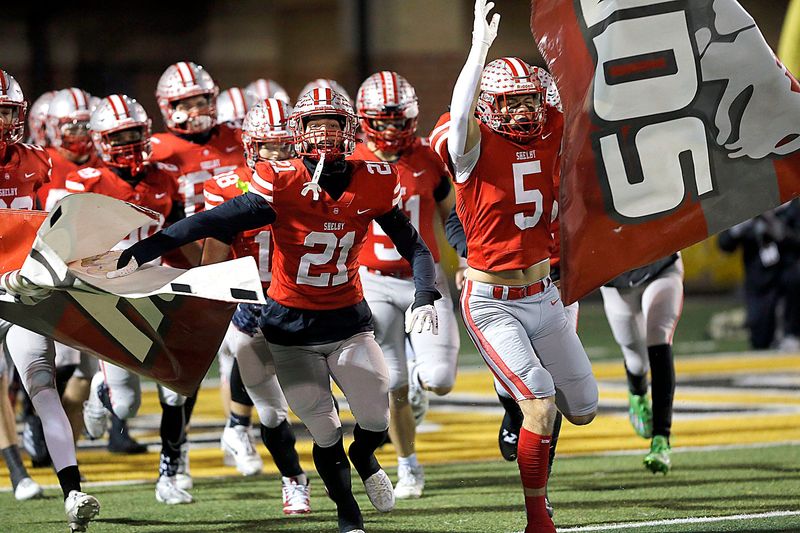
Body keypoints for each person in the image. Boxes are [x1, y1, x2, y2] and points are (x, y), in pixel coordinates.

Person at [103, 87, 440, 533]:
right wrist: (145, 250)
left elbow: (414, 246)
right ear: (298, 133)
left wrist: (425, 292)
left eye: (333, 123)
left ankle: (365, 457)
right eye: (314, 124)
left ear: (350, 128)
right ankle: (348, 516)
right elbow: (210, 222)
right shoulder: (281, 181)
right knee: (323, 430)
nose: (324, 133)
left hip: (348, 322)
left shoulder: (375, 177)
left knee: (376, 419)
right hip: (289, 327)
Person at [429, 3, 598, 531]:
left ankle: (514, 399)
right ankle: (536, 517)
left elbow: (587, 101)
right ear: (488, 106)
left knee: (585, 409)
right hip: (492, 302)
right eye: (510, 103)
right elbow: (459, 119)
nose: (524, 112)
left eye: (529, 100)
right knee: (541, 405)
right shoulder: (470, 146)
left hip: (545, 295)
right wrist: (477, 51)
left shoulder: (553, 129)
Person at [68, 94, 194, 505]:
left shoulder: (167, 176)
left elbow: (181, 236)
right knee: (126, 405)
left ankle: (170, 473)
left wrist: (200, 275)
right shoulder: (85, 181)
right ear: (102, 140)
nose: (128, 142)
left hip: (157, 287)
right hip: (110, 296)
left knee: (175, 388)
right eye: (118, 135)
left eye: (134, 133)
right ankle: (100, 395)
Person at [352, 70, 460, 499]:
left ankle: (421, 381)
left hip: (425, 278)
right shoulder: (352, 159)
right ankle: (408, 465)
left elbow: (453, 212)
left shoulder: (428, 157)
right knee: (391, 383)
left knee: (438, 379)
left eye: (400, 119)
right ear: (365, 119)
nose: (394, 128)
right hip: (373, 280)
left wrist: (468, 255)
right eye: (384, 119)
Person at [0, 68, 99, 533]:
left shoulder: (37, 162)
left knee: (43, 387)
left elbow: (51, 226)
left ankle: (72, 490)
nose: (1, 122)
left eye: (5, 112)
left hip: (20, 291)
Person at [202, 98, 312, 514]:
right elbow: (213, 254)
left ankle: (351, 469)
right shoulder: (227, 186)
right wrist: (226, 297)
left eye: (288, 146)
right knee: (270, 411)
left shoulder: (312, 183)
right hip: (252, 309)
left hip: (306, 304)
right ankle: (294, 481)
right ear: (252, 148)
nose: (282, 155)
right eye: (271, 147)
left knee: (321, 404)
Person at [600, 256, 684, 474]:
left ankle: (661, 439)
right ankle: (637, 392)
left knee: (659, 336)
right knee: (636, 359)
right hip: (616, 274)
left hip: (660, 264)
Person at [718, 202, 800, 349]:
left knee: (795, 278)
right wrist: (739, 227)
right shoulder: (746, 210)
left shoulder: (792, 207)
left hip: (787, 273)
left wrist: (778, 228)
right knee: (760, 340)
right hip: (759, 279)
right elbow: (724, 244)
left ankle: (791, 333)